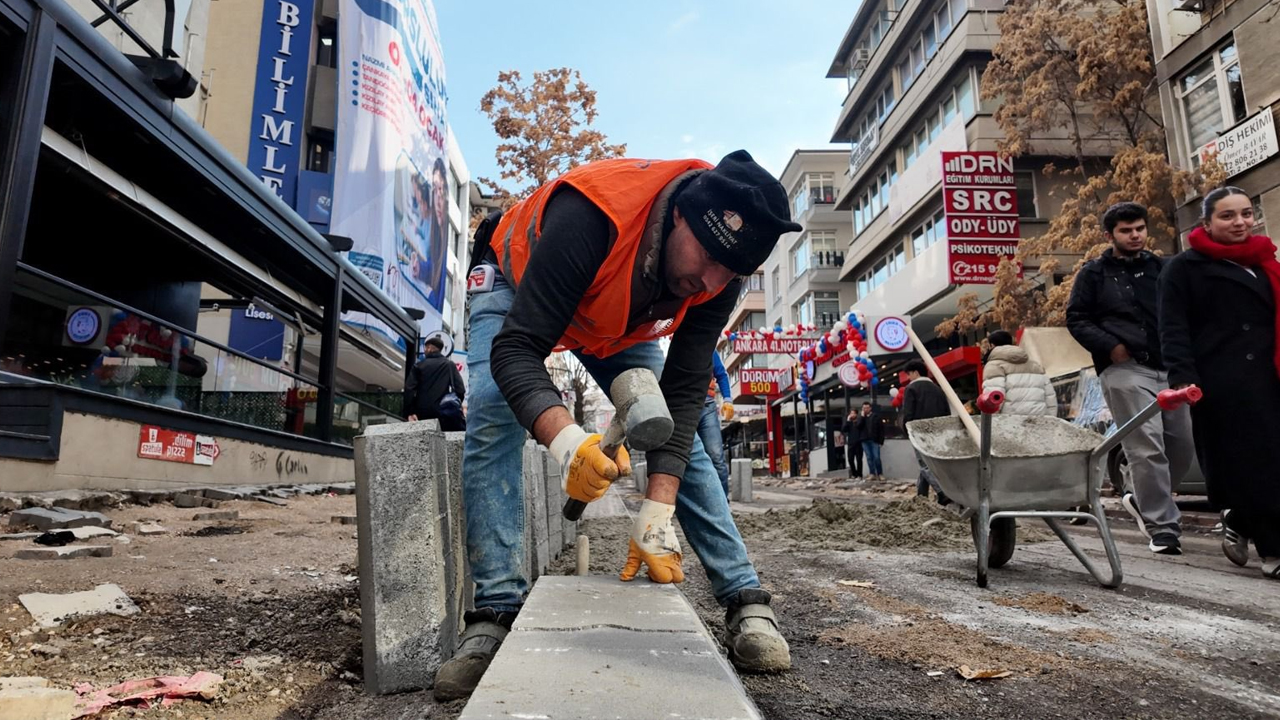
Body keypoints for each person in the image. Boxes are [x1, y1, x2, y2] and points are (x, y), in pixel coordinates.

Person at [433, 151, 801, 701]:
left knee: (675, 421)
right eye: (708, 258)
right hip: (516, 281)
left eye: (731, 273)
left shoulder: (717, 272)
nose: (711, 280)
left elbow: (681, 393)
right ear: (681, 215)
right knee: (492, 409)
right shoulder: (592, 214)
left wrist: (656, 510)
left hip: (615, 318)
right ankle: (493, 613)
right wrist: (566, 442)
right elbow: (518, 349)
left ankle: (744, 598)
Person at [1159, 186, 1280, 579]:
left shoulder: (1266, 261)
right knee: (1254, 466)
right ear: (1207, 223)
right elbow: (1173, 328)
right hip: (1221, 382)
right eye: (1228, 216)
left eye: (1246, 213)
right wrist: (1183, 378)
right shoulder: (1184, 268)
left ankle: (1241, 521)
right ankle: (1274, 551)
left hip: (1271, 375)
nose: (1240, 222)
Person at [1066, 201, 1193, 555]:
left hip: (1169, 369)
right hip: (1125, 369)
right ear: (1110, 236)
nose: (1135, 235)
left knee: (1181, 444)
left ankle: (1140, 498)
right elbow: (1076, 318)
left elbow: (1184, 313)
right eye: (1126, 230)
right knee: (1146, 445)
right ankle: (1164, 528)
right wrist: (1112, 347)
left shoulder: (1163, 268)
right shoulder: (1093, 274)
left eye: (1139, 228)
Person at [902, 359, 951, 504]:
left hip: (919, 431)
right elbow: (946, 411)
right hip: (938, 431)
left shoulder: (911, 389)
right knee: (930, 463)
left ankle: (943, 493)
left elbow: (908, 413)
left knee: (924, 464)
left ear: (916, 373)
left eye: (909, 374)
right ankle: (921, 497)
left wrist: (907, 430)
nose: (908, 378)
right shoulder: (937, 388)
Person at [981, 330, 1056, 417]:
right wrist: (1051, 420)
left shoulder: (994, 366)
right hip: (1039, 421)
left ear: (992, 345)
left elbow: (994, 399)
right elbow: (1050, 397)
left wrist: (993, 422)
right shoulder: (1035, 365)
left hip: (1011, 422)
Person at [403, 336, 466, 431]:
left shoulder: (419, 366)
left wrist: (410, 412)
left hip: (421, 413)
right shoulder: (449, 365)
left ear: (429, 348)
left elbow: (409, 389)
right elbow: (460, 389)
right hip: (444, 412)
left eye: (425, 348)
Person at [699, 352, 734, 497]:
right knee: (685, 458)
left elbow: (721, 375)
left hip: (707, 407)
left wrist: (727, 399)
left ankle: (723, 503)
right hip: (685, 407)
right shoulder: (677, 345)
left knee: (716, 456)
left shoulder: (709, 349)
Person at [856, 401, 885, 481]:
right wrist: (862, 417)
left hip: (874, 440)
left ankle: (880, 473)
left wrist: (881, 441)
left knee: (876, 457)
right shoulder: (860, 417)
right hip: (864, 440)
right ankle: (872, 473)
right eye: (864, 408)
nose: (865, 409)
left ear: (870, 408)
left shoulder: (876, 417)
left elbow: (881, 430)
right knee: (869, 457)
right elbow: (858, 426)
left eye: (867, 408)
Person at [841, 410, 863, 479]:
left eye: (853, 413)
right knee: (850, 459)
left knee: (859, 459)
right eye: (851, 413)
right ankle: (854, 473)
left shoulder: (859, 422)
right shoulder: (849, 423)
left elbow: (860, 426)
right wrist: (848, 420)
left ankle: (859, 474)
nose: (852, 415)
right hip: (851, 443)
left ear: (856, 414)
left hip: (859, 442)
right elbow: (844, 429)